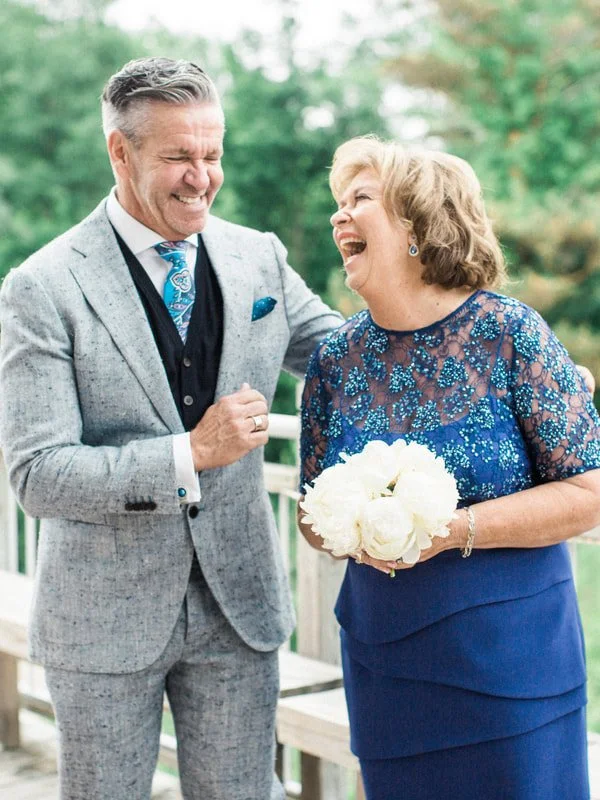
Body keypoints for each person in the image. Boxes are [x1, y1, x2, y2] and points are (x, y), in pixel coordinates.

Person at [0, 57, 342, 800]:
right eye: (179, 157)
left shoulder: (260, 258)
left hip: (238, 606)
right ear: (120, 153)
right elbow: (37, 473)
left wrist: (501, 364)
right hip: (101, 620)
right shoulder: (41, 287)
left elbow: (349, 361)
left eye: (213, 154)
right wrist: (189, 454)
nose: (202, 177)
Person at [297, 136, 600, 800]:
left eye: (360, 200)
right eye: (337, 203)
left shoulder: (512, 334)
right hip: (388, 660)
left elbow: (588, 491)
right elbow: (311, 519)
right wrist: (346, 524)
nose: (338, 216)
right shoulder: (334, 363)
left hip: (513, 660)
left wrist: (450, 530)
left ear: (416, 223)